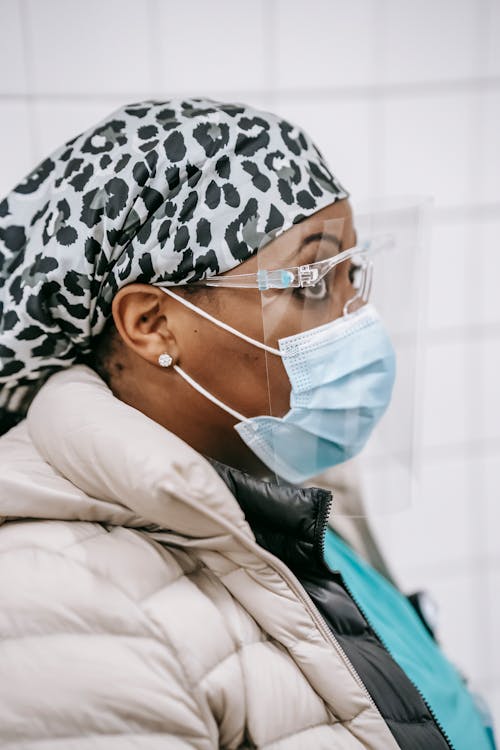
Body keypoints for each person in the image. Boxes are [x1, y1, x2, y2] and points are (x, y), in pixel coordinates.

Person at [0, 98, 495, 750]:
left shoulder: (285, 479)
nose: (357, 321)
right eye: (314, 284)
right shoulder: (59, 606)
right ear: (152, 323)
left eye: (355, 276)